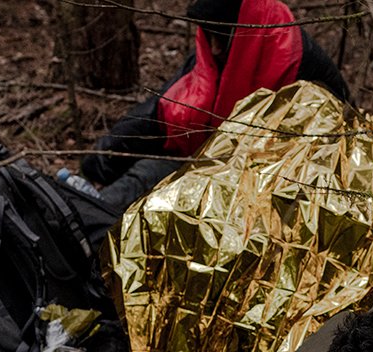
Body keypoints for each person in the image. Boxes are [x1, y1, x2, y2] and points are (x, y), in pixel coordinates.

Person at [80, 0, 351, 210]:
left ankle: (89, 218)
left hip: (267, 189)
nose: (216, 48)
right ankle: (86, 212)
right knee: (148, 171)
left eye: (221, 36)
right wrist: (104, 159)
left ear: (245, 30)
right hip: (216, 168)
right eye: (209, 35)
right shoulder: (219, 53)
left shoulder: (299, 68)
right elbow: (165, 112)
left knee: (155, 176)